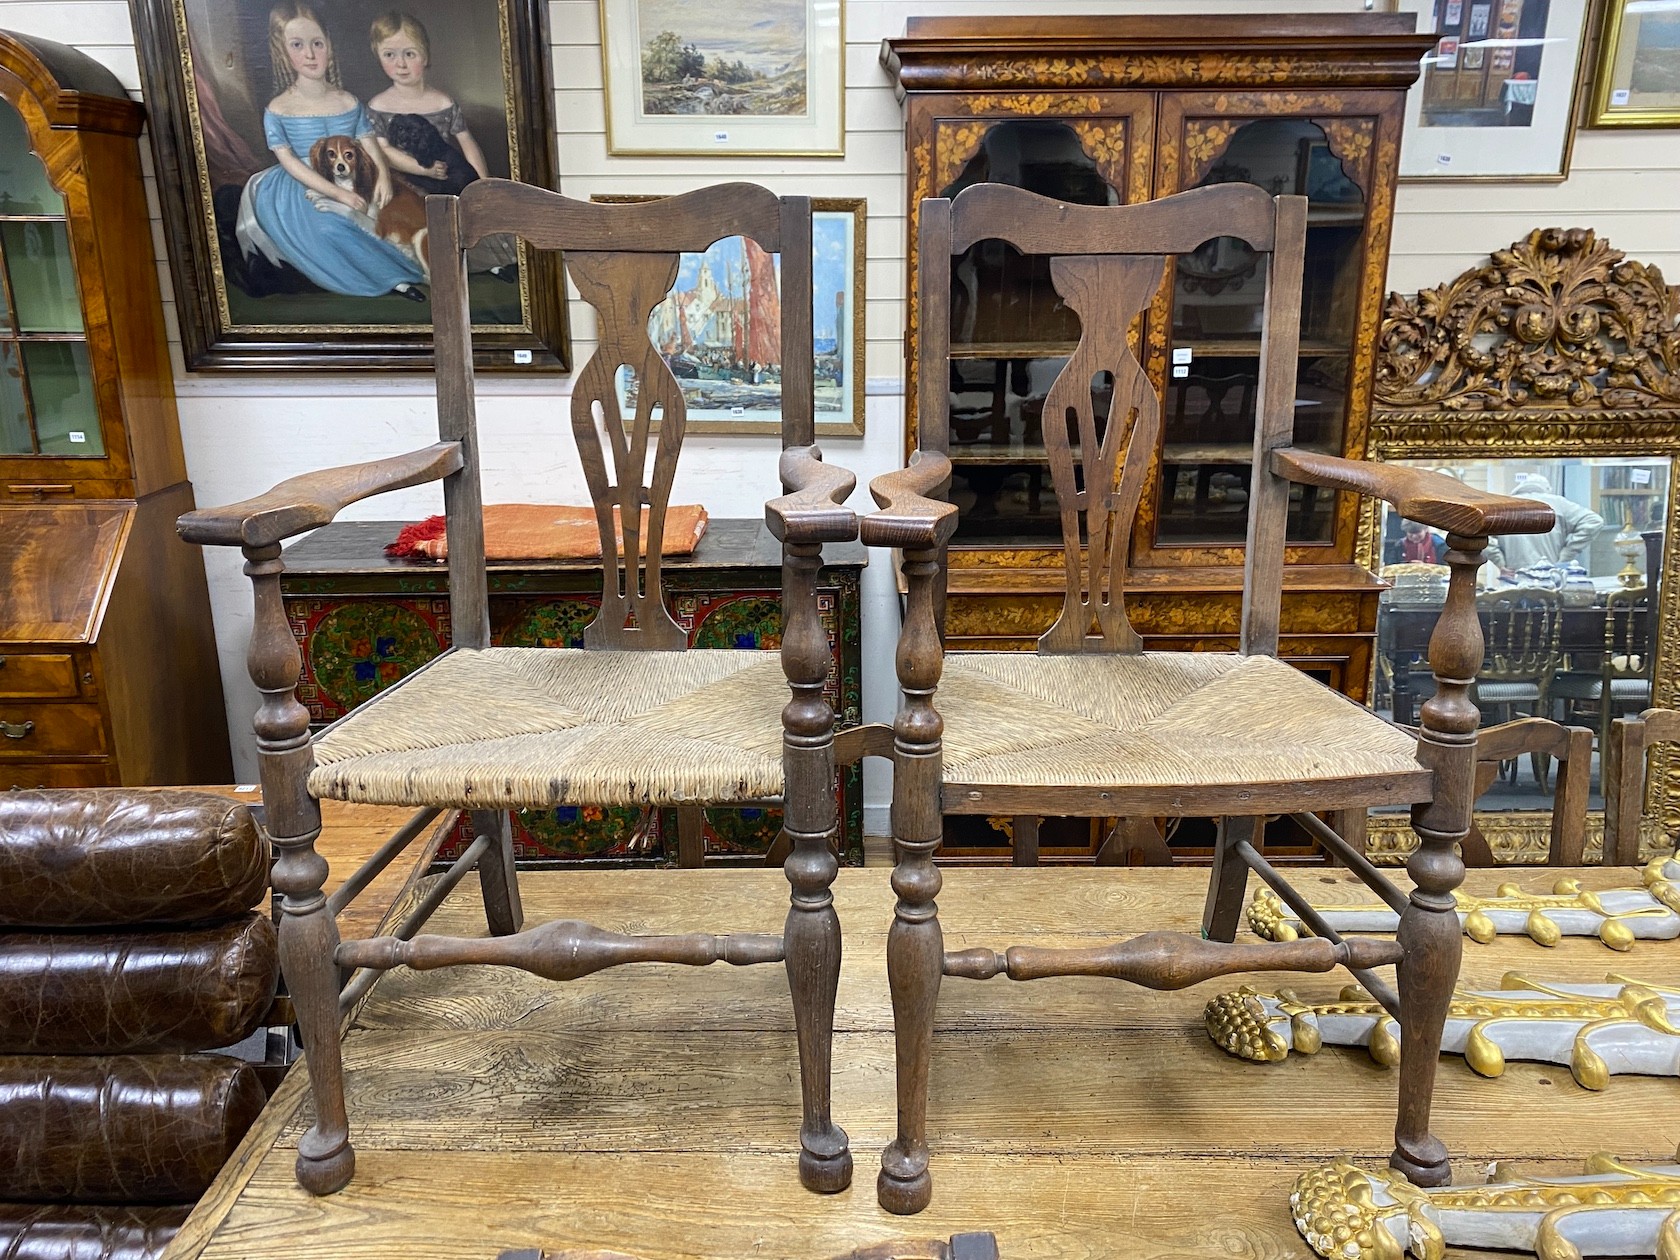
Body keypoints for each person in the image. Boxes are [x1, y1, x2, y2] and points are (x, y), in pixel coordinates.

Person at [234, 3, 426, 301]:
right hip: (299, 188)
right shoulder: (278, 108)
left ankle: (416, 271)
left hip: (352, 175)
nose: (310, 55)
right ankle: (391, 280)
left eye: (317, 44)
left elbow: (367, 139)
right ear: (283, 51)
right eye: (298, 45)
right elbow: (290, 162)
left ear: (328, 45)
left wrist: (384, 177)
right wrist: (338, 195)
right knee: (331, 228)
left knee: (391, 214)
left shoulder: (347, 101)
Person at [365, 11, 515, 278]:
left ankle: (483, 263)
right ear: (378, 57)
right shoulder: (379, 105)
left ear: (426, 55)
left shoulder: (442, 102)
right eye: (390, 55)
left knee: (471, 216)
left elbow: (467, 142)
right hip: (404, 183)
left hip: (446, 180)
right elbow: (384, 152)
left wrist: (483, 184)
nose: (400, 64)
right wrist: (424, 171)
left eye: (409, 54)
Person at [1488, 472, 1604, 573]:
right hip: (1551, 574)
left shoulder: (1505, 506)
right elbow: (1594, 521)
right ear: (1547, 489)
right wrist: (1567, 554)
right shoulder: (1558, 504)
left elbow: (1478, 533)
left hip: (1514, 575)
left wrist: (1500, 562)